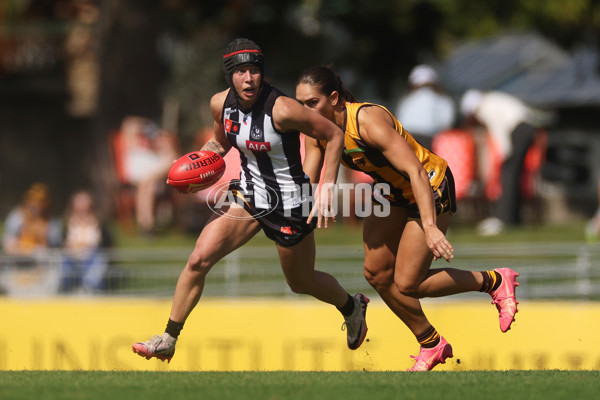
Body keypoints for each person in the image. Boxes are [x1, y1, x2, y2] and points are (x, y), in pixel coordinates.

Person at [132, 39, 369, 362]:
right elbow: (220, 142)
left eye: (255, 71)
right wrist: (199, 165)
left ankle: (352, 307)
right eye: (241, 71)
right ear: (230, 75)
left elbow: (334, 134)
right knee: (198, 259)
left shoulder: (283, 108)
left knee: (301, 281)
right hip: (248, 195)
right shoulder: (220, 104)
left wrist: (326, 186)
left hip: (290, 202)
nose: (249, 78)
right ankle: (168, 338)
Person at [295, 65, 519, 371]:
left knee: (408, 283)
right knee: (376, 273)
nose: (305, 110)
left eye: (312, 103)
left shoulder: (366, 121)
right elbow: (308, 176)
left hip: (429, 184)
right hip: (391, 192)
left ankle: (493, 281)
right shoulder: (314, 131)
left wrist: (429, 227)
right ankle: (431, 343)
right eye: (301, 104)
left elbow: (415, 170)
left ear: (333, 99)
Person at [460, 89, 550, 236]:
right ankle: (513, 218)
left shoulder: (485, 107)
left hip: (520, 129)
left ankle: (503, 218)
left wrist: (504, 155)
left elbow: (498, 131)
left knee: (507, 174)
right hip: (527, 127)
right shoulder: (493, 99)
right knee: (514, 175)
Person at [59, 190, 113, 294]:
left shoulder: (100, 223)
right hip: (71, 258)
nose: (82, 207)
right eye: (79, 203)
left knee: (99, 258)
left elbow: (108, 245)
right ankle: (66, 289)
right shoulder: (67, 223)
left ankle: (88, 288)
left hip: (91, 259)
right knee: (62, 261)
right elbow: (60, 243)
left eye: (84, 203)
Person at [395, 64, 456, 150]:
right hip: (428, 138)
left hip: (404, 138)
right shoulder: (441, 99)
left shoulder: (406, 99)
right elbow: (446, 123)